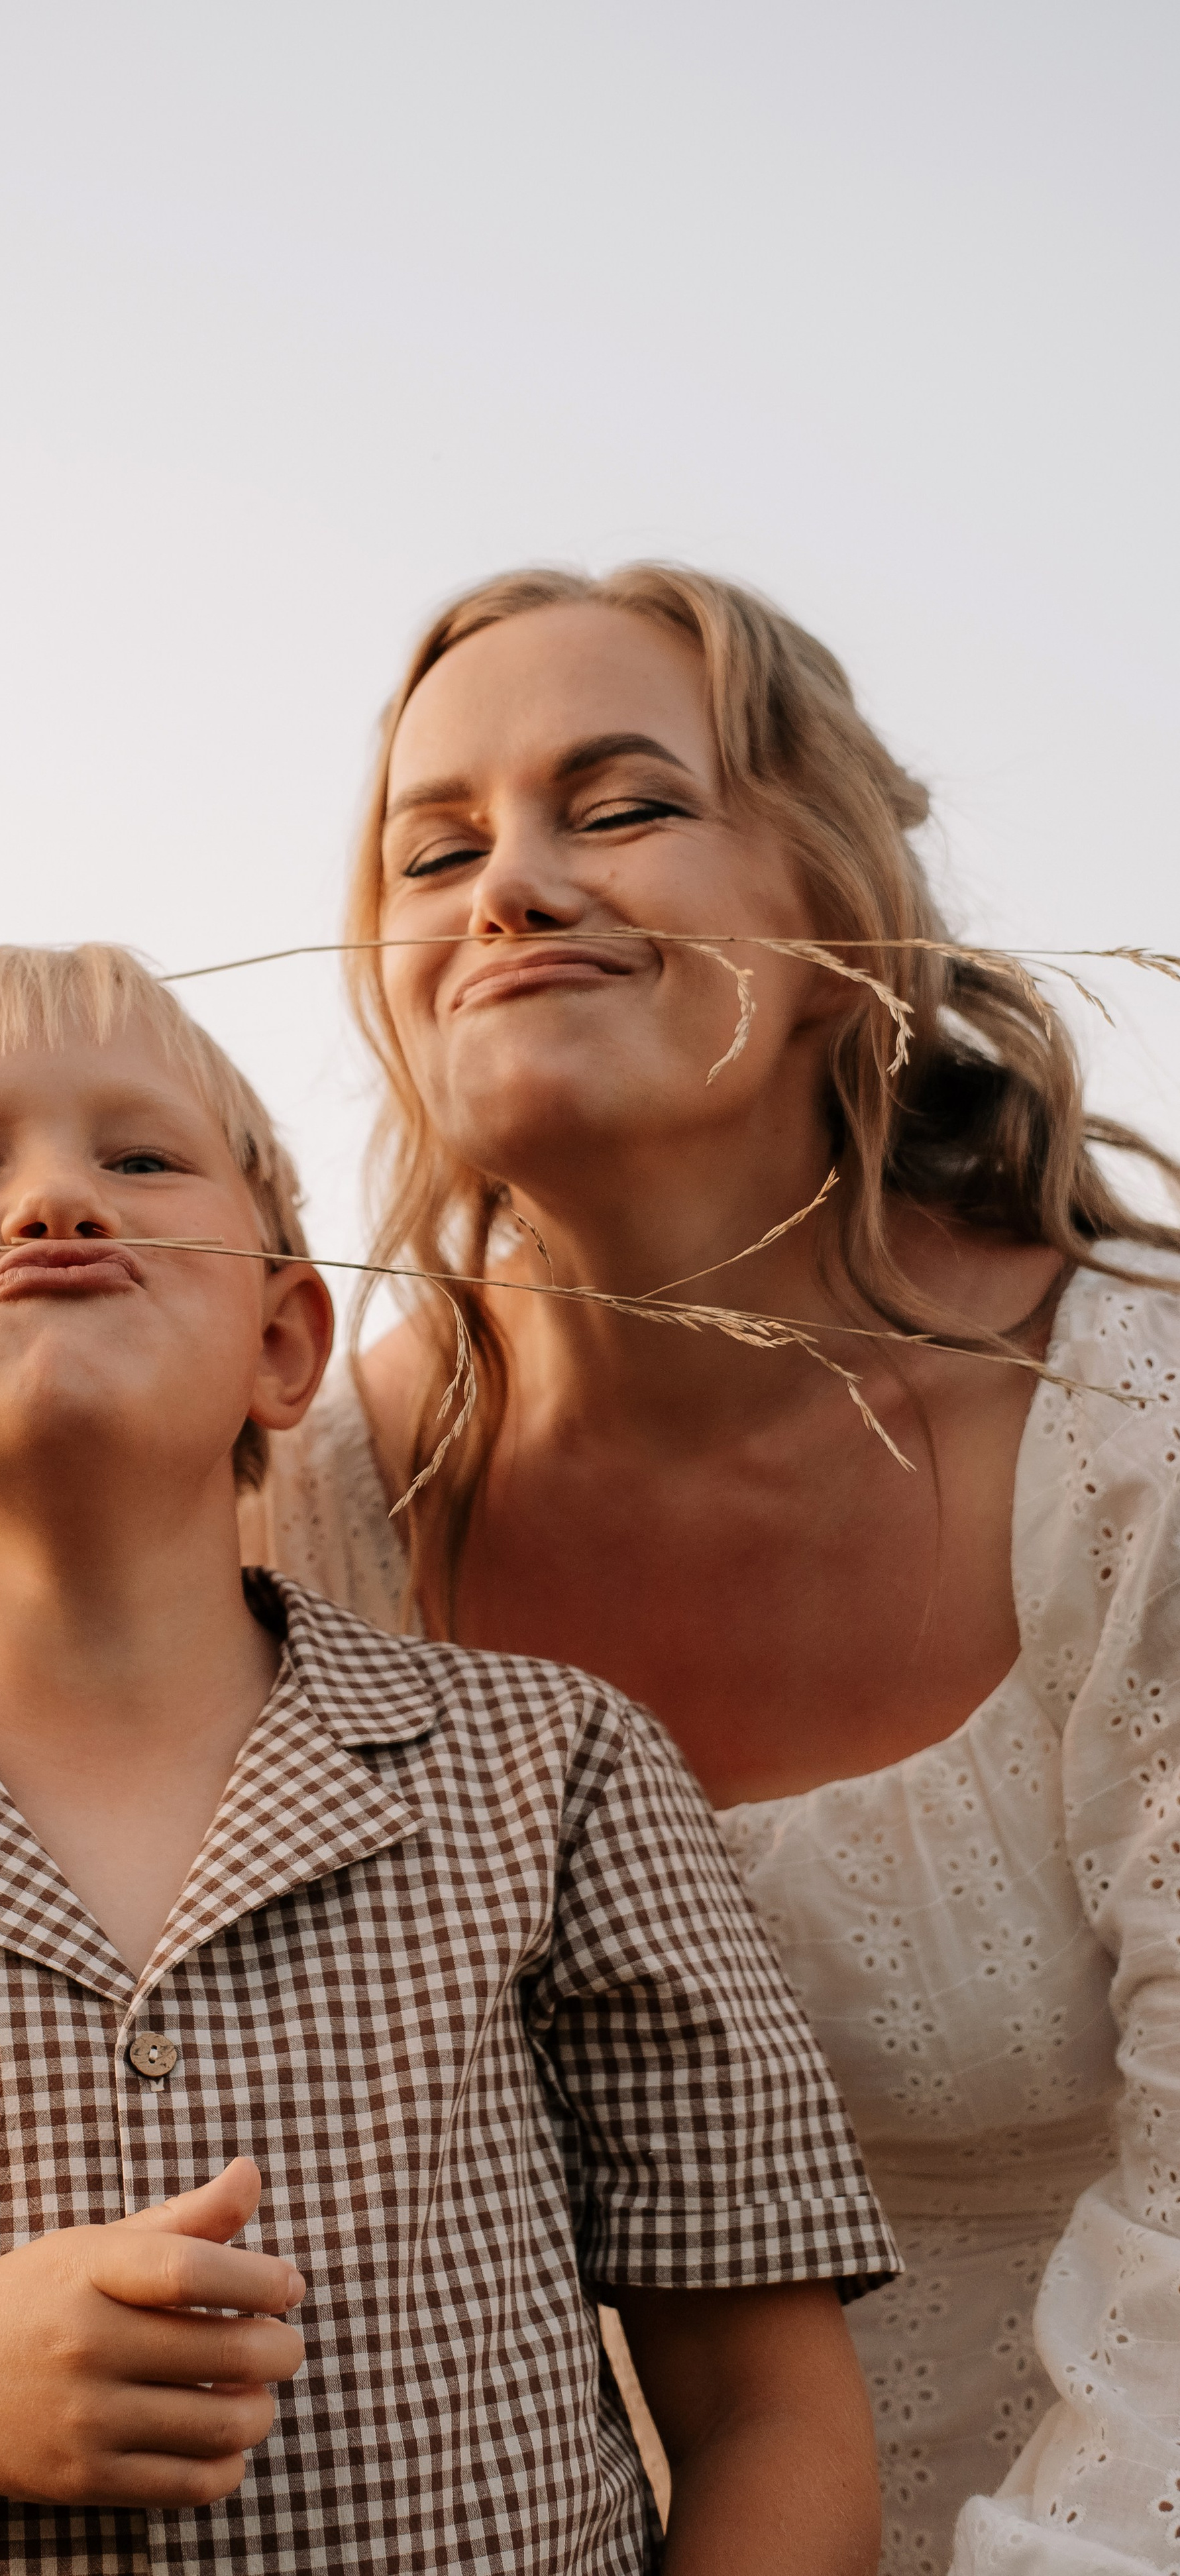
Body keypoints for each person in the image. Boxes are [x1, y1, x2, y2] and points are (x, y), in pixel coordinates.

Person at [0, 943, 897, 2576]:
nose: (55, 1200)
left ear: (284, 1342)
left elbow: (762, 2410)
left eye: (138, 1157)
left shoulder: (551, 1771)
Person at [244, 564, 1180, 2576]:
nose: (510, 888)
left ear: (841, 923)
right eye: (438, 847)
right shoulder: (289, 1533)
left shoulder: (1146, 1438)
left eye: (621, 805)